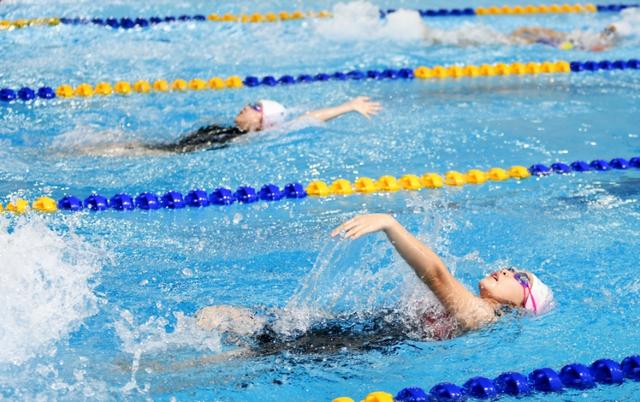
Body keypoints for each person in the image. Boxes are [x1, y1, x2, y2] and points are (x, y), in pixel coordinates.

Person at [195, 214, 554, 356]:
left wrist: (389, 224)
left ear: (522, 306)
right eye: (509, 268)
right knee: (219, 318)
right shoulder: (475, 305)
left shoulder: (484, 317)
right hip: (352, 330)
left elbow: (436, 275)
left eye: (519, 277)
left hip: (354, 345)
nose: (507, 272)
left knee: (241, 352)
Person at [144, 96, 381, 153]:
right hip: (171, 147)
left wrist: (348, 106)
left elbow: (309, 118)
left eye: (255, 108)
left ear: (263, 122)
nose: (246, 107)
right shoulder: (224, 129)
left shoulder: (249, 138)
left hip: (173, 153)